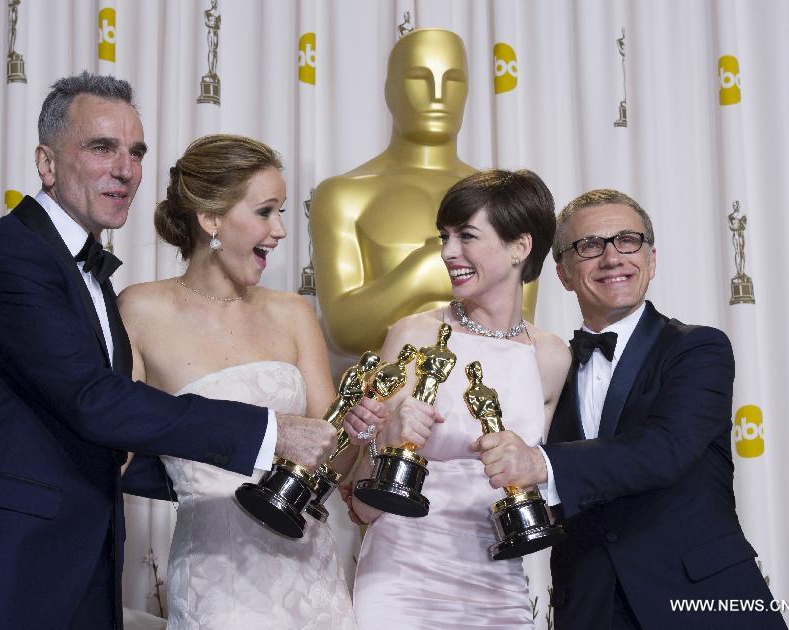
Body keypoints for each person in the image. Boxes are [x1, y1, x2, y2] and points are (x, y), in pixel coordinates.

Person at [0, 72, 336, 630]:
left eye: (136, 151)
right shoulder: (7, 256)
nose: (125, 168)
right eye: (101, 148)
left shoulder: (93, 278)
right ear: (46, 163)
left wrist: (209, 481)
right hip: (1, 560)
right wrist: (270, 432)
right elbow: (95, 402)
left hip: (78, 564)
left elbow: (90, 435)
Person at [473, 189, 786, 629]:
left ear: (651, 260)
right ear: (562, 273)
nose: (612, 257)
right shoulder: (548, 367)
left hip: (704, 602)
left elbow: (664, 450)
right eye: (589, 246)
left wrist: (539, 464)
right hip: (589, 607)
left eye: (627, 241)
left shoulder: (698, 348)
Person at [119, 134, 381, 628]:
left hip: (312, 578)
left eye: (282, 211)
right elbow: (114, 436)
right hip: (217, 581)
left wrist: (359, 429)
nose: (280, 230)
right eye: (265, 211)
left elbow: (337, 464)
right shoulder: (141, 309)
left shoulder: (293, 313)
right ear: (211, 219)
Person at [347, 169, 570, 628]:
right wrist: (386, 440)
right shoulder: (415, 334)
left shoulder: (550, 357)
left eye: (466, 236)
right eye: (444, 237)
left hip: (499, 581)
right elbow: (362, 506)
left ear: (519, 247)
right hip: (402, 579)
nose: (448, 253)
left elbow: (543, 494)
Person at [311, 29, 538, 355]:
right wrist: (421, 272)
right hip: (381, 399)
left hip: (487, 393)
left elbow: (519, 328)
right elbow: (344, 332)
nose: (437, 94)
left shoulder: (506, 197)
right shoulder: (344, 195)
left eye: (453, 81)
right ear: (389, 91)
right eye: (420, 79)